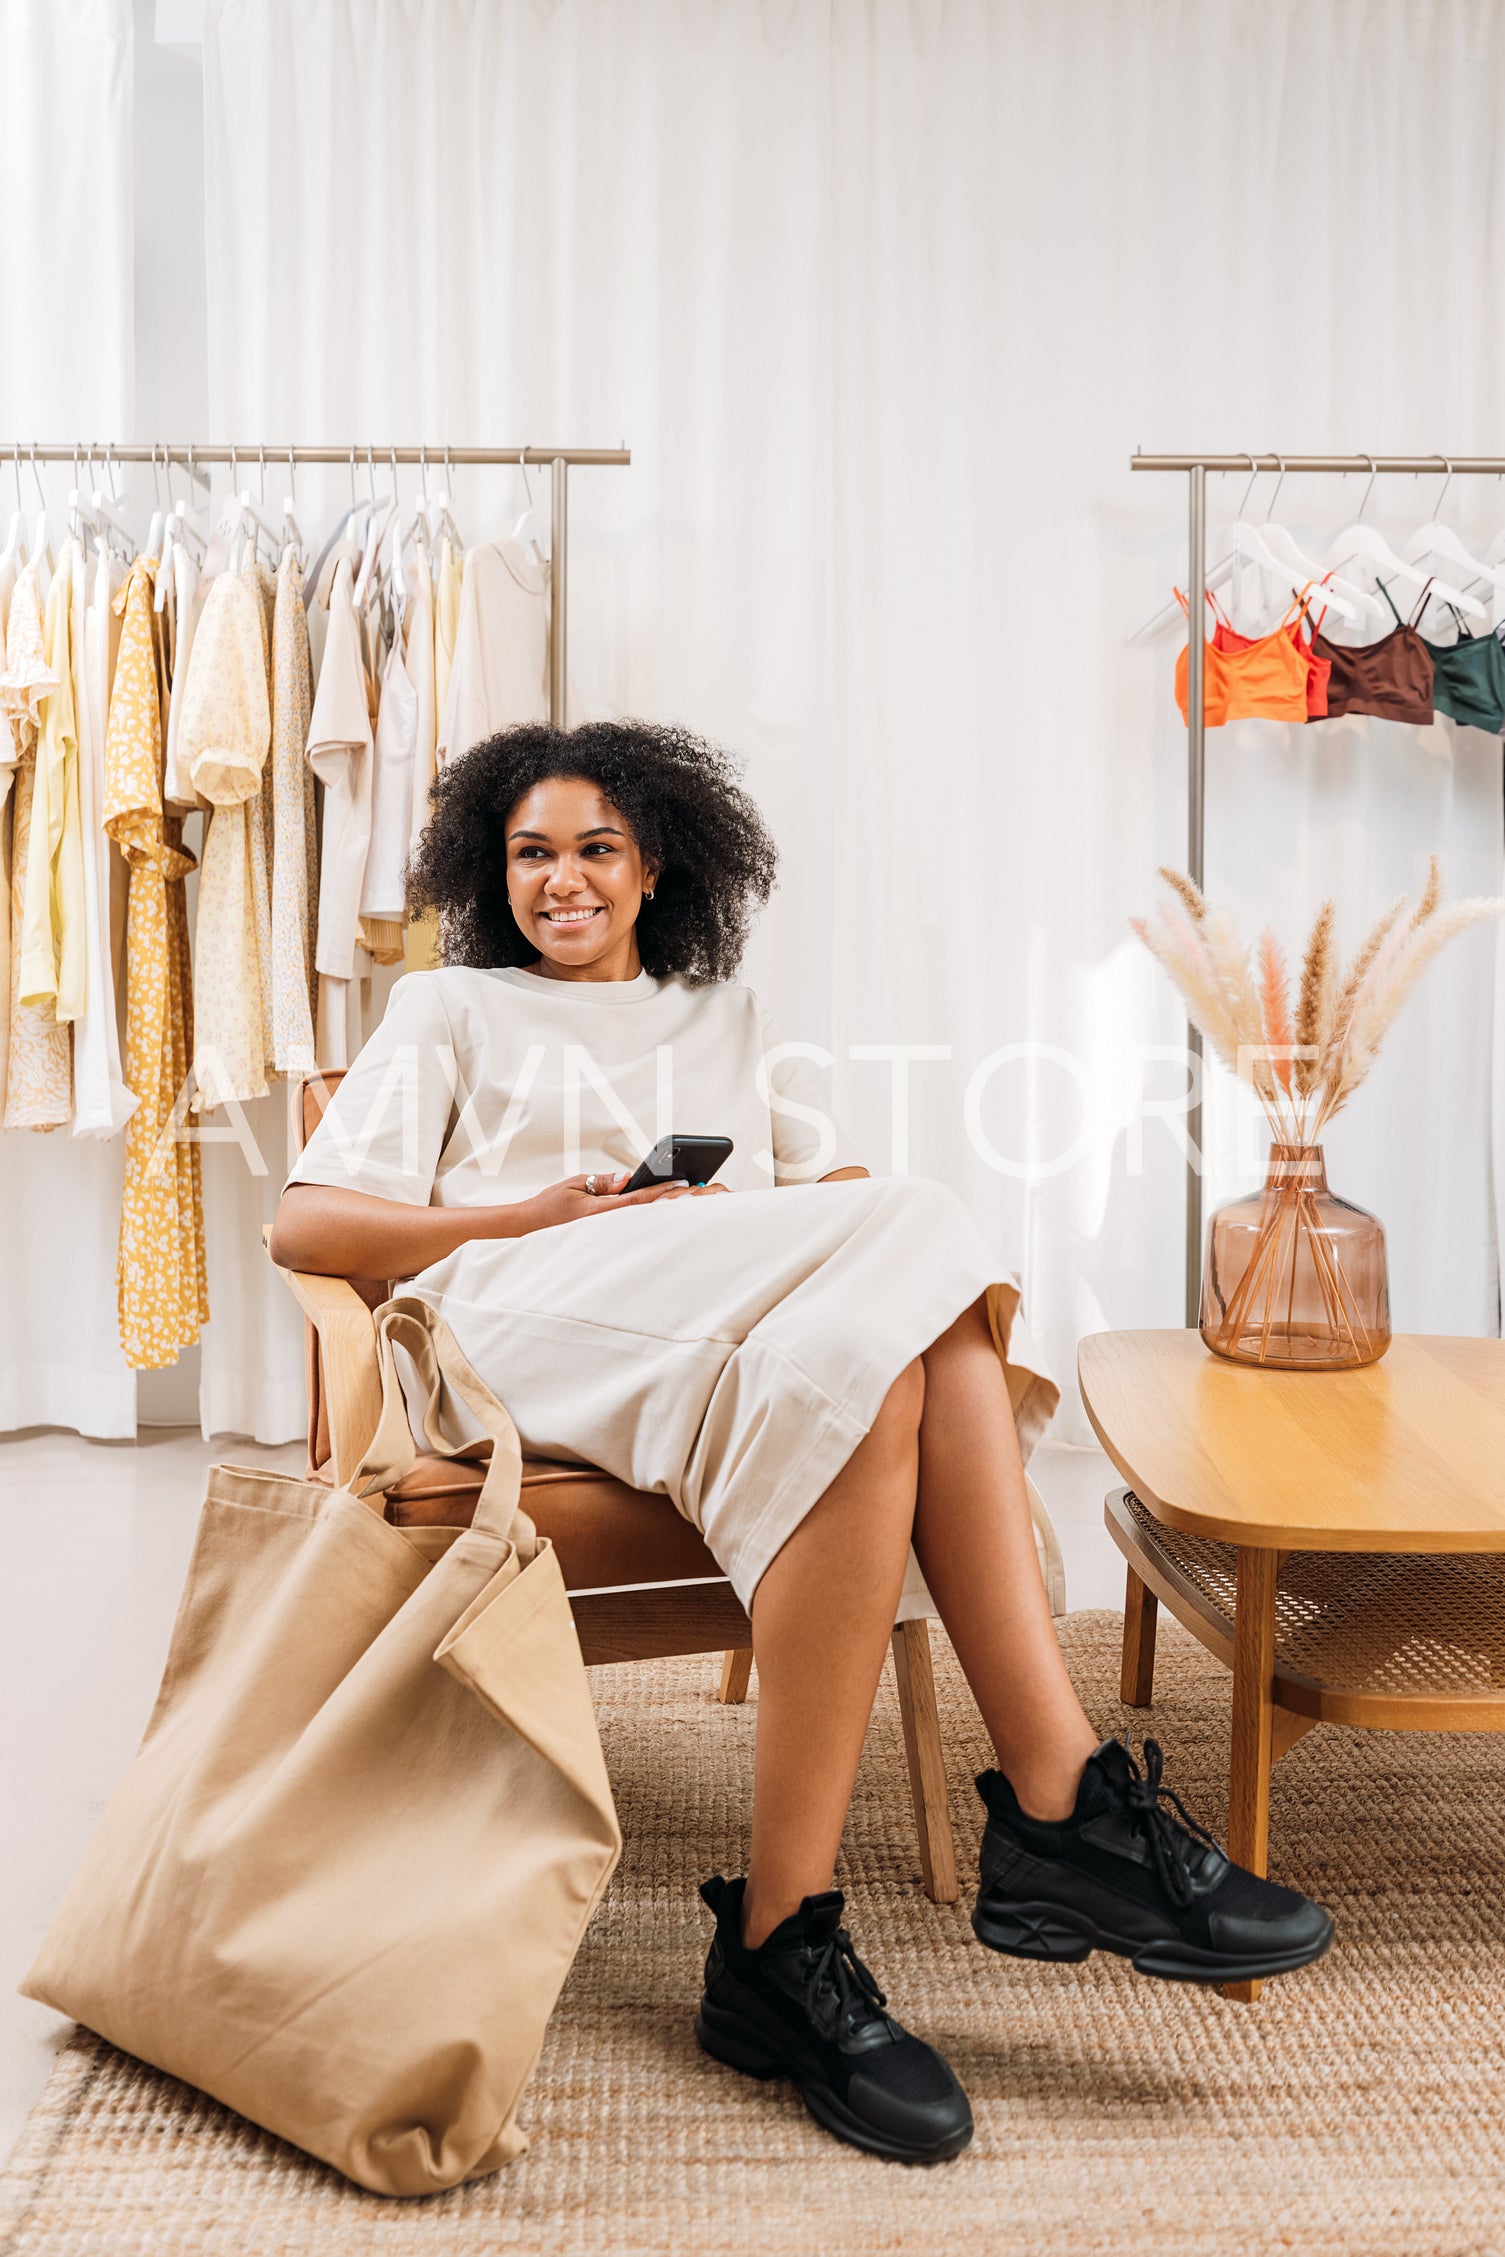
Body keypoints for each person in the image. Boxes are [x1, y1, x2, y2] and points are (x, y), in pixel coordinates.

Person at [270, 720, 1332, 2166]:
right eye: (530, 852)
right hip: (514, 1316)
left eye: (595, 848)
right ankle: (1057, 1803)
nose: (561, 879)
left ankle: (779, 1945)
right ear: (490, 869)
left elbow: (807, 1192)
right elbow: (307, 1225)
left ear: (654, 866)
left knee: (880, 1347)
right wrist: (531, 1215)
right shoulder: (452, 1008)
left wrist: (796, 1212)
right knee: (921, 1232)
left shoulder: (722, 1013)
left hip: (709, 1335)